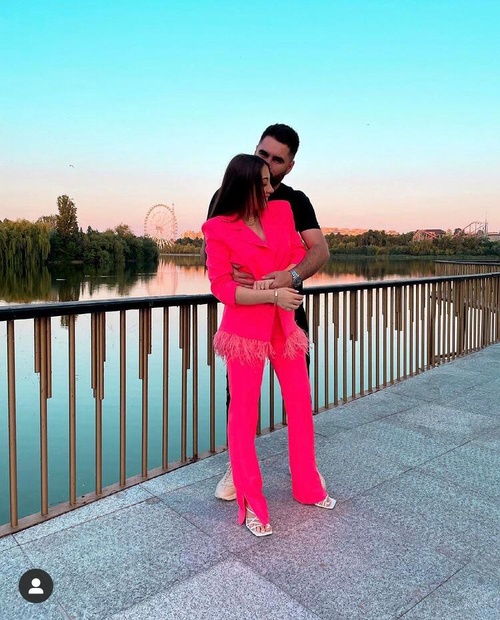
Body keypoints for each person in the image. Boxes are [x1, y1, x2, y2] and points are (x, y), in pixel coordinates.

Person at [202, 154, 335, 537]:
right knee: (243, 415)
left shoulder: (281, 212)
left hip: (285, 328)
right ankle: (252, 505)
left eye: (269, 180)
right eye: (262, 182)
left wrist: (277, 279)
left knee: (301, 406)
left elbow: (296, 254)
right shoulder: (217, 228)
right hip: (244, 332)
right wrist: (271, 294)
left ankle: (308, 488)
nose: (269, 188)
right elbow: (222, 287)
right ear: (243, 185)